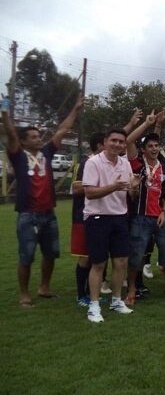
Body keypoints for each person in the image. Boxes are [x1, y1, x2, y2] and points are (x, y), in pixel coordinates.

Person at [2, 94, 83, 307]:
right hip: (28, 215)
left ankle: (44, 287)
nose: (39, 138)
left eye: (39, 135)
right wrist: (4, 112)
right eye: (34, 136)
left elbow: (62, 130)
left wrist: (75, 108)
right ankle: (24, 294)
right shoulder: (18, 155)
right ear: (23, 141)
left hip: (49, 213)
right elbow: (10, 134)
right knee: (26, 256)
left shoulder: (46, 153)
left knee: (50, 254)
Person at [83, 128, 140, 322]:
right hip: (97, 217)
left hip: (119, 217)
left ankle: (116, 300)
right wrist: (114, 187)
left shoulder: (125, 163)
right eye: (114, 140)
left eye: (121, 142)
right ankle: (94, 305)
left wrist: (134, 187)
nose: (117, 144)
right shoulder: (93, 162)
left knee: (121, 262)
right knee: (98, 263)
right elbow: (90, 192)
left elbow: (130, 191)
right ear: (105, 141)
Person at [125, 112, 165, 304]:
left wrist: (164, 211)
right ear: (143, 149)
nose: (154, 148)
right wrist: (147, 124)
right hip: (140, 218)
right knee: (136, 256)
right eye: (150, 146)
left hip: (160, 217)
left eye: (157, 145)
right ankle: (131, 289)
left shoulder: (164, 167)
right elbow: (128, 140)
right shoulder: (137, 163)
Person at [70, 132, 104, 306]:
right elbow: (75, 188)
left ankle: (91, 293)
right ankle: (80, 295)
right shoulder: (86, 162)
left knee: (95, 256)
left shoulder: (101, 163)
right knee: (85, 257)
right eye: (108, 142)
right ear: (100, 145)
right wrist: (101, 185)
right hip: (82, 216)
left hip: (98, 216)